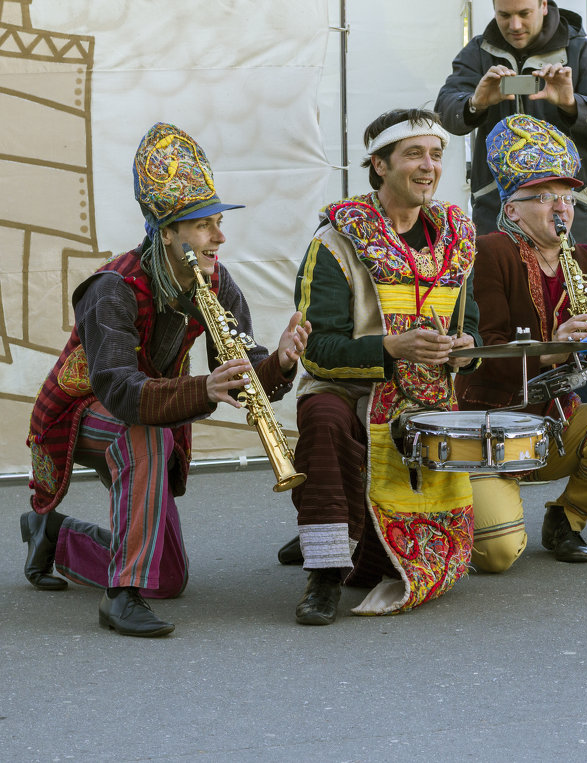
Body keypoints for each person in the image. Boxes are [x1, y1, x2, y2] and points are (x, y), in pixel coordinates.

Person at [23, 122, 310, 637]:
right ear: (167, 232)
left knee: (169, 579)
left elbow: (247, 376)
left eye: (218, 222)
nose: (219, 237)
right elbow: (120, 393)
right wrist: (203, 389)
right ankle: (120, 596)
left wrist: (281, 364)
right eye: (204, 226)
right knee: (147, 438)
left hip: (152, 415)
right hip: (80, 413)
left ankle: (53, 535)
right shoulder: (111, 288)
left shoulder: (217, 281)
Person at [287, 108, 480, 625]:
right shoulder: (335, 242)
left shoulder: (457, 241)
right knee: (324, 417)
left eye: (436, 155)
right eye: (413, 154)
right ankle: (323, 573)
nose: (428, 167)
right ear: (378, 165)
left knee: (380, 564)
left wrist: (466, 343)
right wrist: (391, 349)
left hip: (426, 398)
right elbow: (316, 350)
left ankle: (338, 523)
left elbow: (474, 326)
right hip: (349, 390)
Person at [457, 114, 587, 570]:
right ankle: (459, 505)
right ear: (512, 209)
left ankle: (568, 517)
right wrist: (550, 349)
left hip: (552, 424)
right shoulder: (490, 251)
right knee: (499, 554)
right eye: (543, 196)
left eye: (565, 196)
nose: (560, 207)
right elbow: (482, 353)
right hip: (493, 429)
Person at [434, 0, 587, 251]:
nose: (514, 25)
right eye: (504, 15)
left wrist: (572, 104)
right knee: (499, 287)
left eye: (524, 14)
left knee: (569, 289)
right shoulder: (478, 51)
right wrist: (474, 104)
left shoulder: (583, 50)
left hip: (570, 212)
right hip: (498, 210)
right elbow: (443, 112)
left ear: (544, 6)